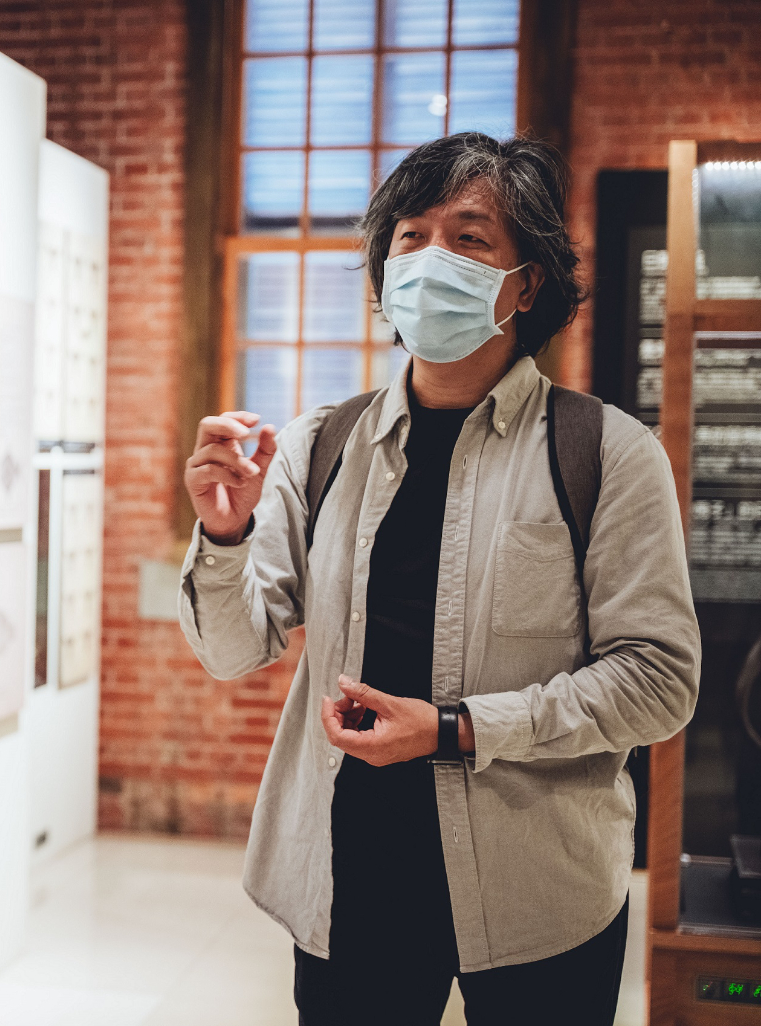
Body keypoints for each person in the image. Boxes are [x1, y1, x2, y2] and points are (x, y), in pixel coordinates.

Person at [178, 133, 700, 1026]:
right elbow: (233, 651)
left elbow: (658, 683)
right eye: (410, 237)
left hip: (540, 889)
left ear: (526, 284)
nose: (429, 259)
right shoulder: (319, 445)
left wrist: (455, 730)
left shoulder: (607, 454)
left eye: (468, 238)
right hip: (348, 874)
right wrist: (225, 532)